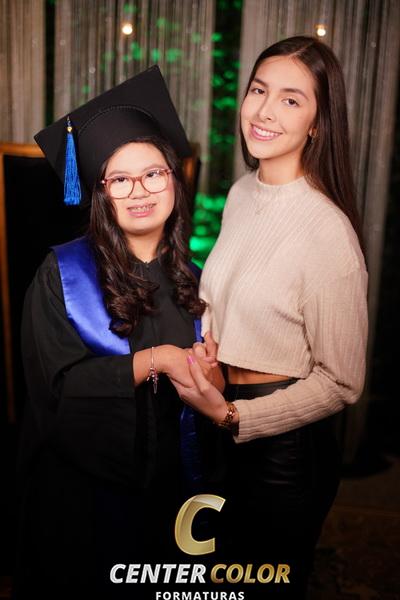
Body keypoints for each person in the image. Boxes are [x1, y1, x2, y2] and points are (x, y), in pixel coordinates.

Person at [173, 36, 369, 598]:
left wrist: (237, 416)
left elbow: (343, 381)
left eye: (290, 99)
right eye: (259, 90)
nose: (263, 111)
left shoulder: (327, 231)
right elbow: (230, 301)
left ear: (317, 123)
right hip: (223, 422)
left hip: (285, 452)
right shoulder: (241, 193)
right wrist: (212, 359)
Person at [13, 66, 218, 599]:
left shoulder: (200, 281)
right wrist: (158, 360)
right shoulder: (63, 275)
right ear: (100, 192)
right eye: (120, 180)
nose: (139, 191)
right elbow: (54, 391)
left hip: (173, 496)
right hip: (81, 502)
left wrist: (214, 376)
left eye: (153, 174)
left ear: (174, 179)